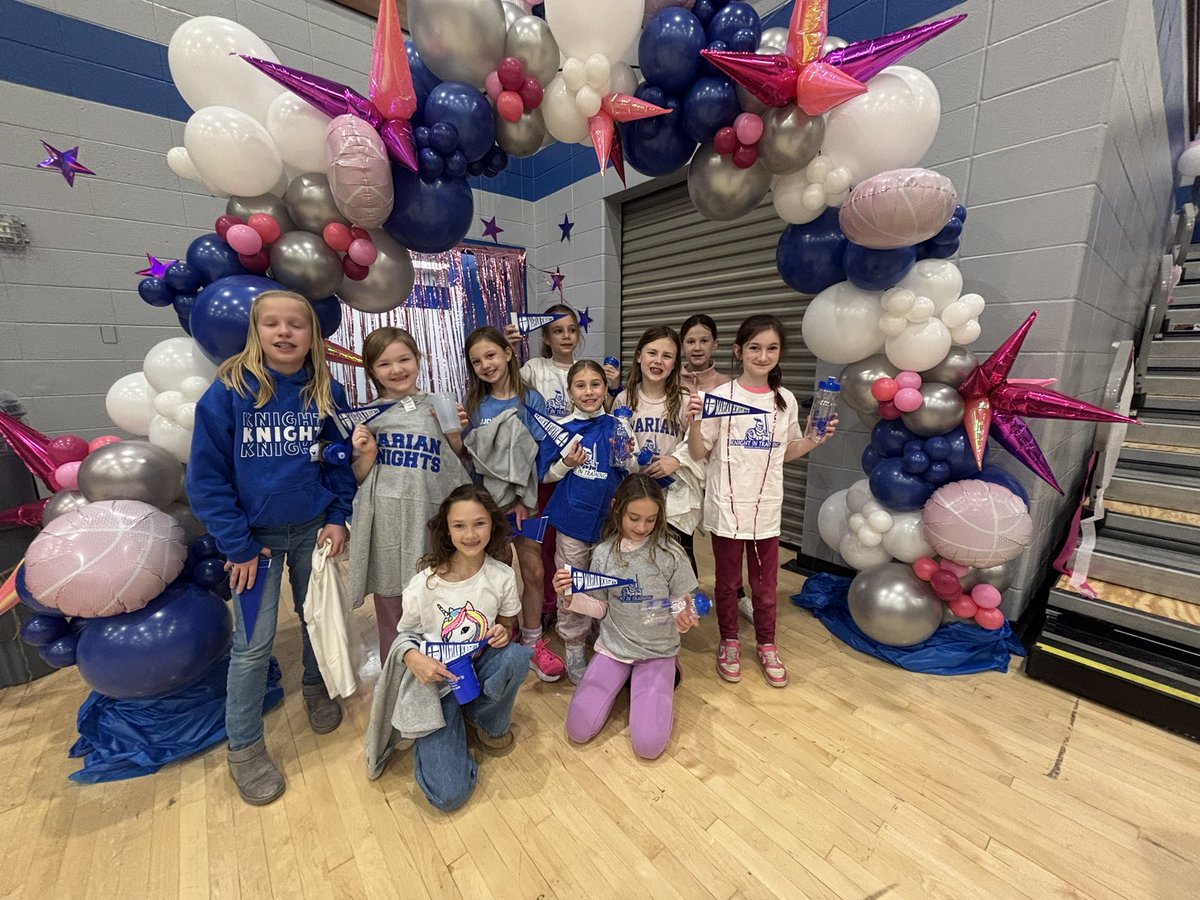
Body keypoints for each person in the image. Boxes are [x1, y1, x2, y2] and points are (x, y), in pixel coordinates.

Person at [188, 289, 356, 806]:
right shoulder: (227, 393)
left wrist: (338, 515)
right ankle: (244, 749)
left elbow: (340, 459)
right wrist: (236, 546)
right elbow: (207, 479)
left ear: (313, 336)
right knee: (254, 646)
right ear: (255, 333)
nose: (284, 333)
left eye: (296, 325)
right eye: (272, 324)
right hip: (252, 545)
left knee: (315, 618)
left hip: (311, 530)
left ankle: (314, 685)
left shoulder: (328, 391)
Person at [687, 314, 837, 688]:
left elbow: (786, 451)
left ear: (780, 353)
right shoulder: (719, 398)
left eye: (771, 348)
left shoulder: (784, 400)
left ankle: (767, 644)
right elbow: (699, 451)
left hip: (766, 510)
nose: (763, 355)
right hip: (726, 509)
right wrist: (692, 422)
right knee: (725, 584)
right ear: (739, 351)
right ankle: (730, 642)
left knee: (766, 587)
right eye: (754, 347)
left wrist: (817, 441)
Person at [389, 485, 533, 811]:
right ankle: (449, 728)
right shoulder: (424, 584)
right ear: (446, 529)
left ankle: (487, 723)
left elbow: (507, 626)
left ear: (493, 525)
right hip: (436, 685)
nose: (470, 534)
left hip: (477, 670)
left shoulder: (502, 576)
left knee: (516, 657)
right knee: (449, 795)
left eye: (479, 523)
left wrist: (501, 632)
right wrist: (414, 658)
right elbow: (403, 638)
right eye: (459, 526)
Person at [346, 327, 471, 661]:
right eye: (385, 364)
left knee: (438, 601)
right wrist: (366, 455)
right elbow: (359, 480)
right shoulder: (368, 416)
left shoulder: (439, 405)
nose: (397, 369)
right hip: (386, 526)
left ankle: (445, 673)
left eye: (404, 359)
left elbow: (456, 465)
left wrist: (455, 436)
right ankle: (397, 678)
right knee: (392, 607)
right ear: (371, 370)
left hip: (430, 520)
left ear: (419, 359)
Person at [555, 475, 700, 760]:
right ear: (616, 508)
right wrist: (571, 598)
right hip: (614, 648)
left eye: (651, 519)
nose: (642, 527)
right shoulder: (603, 554)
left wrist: (685, 614)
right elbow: (601, 608)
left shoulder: (671, 553)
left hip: (657, 651)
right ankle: (630, 677)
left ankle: (668, 669)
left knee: (648, 746)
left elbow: (686, 602)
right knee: (578, 730)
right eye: (634, 518)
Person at [461, 325, 566, 682]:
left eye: (491, 355)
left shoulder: (531, 400)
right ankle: (501, 637)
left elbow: (540, 453)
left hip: (527, 504)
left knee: (534, 570)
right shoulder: (475, 405)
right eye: (476, 361)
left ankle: (534, 641)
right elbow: (470, 457)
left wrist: (524, 499)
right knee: (497, 574)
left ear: (508, 353)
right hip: (489, 507)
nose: (485, 365)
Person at [540, 360, 625, 684]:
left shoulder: (618, 426)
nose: (589, 392)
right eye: (581, 385)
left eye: (595, 384)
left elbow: (630, 469)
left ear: (605, 388)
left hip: (609, 526)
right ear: (570, 392)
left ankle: (603, 636)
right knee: (572, 583)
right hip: (573, 521)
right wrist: (566, 464)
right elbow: (544, 474)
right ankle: (573, 643)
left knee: (605, 582)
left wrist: (628, 457)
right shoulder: (560, 428)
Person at [610, 326, 697, 571]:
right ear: (639, 356)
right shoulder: (623, 399)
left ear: (675, 364)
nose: (658, 361)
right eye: (652, 353)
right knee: (635, 560)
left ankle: (681, 608)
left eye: (667, 356)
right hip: (635, 496)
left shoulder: (684, 401)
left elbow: (700, 445)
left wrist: (676, 460)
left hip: (672, 497)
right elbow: (617, 451)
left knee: (677, 560)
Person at [679, 314, 732, 394]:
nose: (697, 348)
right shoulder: (671, 381)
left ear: (715, 344)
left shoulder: (727, 384)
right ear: (682, 346)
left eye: (704, 341)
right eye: (691, 342)